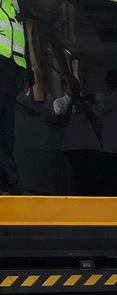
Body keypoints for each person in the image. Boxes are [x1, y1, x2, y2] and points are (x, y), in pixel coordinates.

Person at [0, 0, 32, 195]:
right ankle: (10, 183)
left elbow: (20, 37)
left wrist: (26, 75)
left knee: (5, 132)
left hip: (10, 69)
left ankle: (9, 185)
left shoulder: (14, 3)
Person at [52, 76, 101, 195]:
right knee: (78, 174)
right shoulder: (59, 103)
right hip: (72, 145)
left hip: (89, 144)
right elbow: (63, 121)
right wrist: (71, 104)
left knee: (92, 174)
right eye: (72, 86)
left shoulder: (85, 102)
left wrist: (85, 105)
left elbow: (94, 119)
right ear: (64, 87)